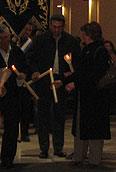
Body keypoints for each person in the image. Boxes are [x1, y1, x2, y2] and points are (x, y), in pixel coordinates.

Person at [28, 14, 80, 158]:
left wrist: (70, 78)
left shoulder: (71, 41)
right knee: (42, 115)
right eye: (54, 27)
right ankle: (43, 148)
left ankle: (58, 147)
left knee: (59, 115)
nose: (56, 30)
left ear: (64, 26)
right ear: (50, 25)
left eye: (59, 27)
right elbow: (31, 58)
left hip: (61, 79)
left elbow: (76, 61)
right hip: (44, 79)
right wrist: (35, 71)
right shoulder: (41, 39)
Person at [65, 22, 110, 167]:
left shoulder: (100, 50)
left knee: (94, 128)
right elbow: (82, 72)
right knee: (81, 126)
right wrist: (67, 79)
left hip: (96, 97)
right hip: (85, 95)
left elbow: (96, 74)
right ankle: (79, 155)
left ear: (89, 35)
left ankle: (94, 158)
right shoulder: (86, 50)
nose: (81, 36)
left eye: (83, 33)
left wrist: (76, 83)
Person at [0, 24, 30, 168]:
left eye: (6, 37)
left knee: (11, 128)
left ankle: (8, 159)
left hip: (13, 95)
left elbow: (25, 68)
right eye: (0, 38)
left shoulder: (17, 52)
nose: (4, 41)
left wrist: (22, 75)